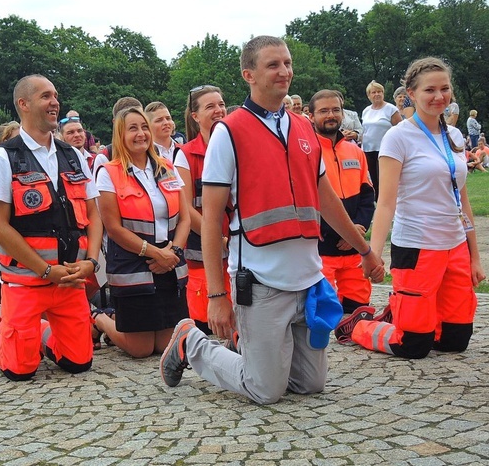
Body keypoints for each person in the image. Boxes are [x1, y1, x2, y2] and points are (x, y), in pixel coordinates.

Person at [159, 36, 384, 405]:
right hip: (260, 281)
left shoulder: (303, 127)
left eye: (288, 63)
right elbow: (212, 219)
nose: (285, 71)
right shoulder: (229, 133)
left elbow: (326, 199)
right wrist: (218, 295)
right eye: (273, 65)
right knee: (265, 389)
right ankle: (191, 343)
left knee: (310, 384)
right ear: (249, 74)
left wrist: (365, 250)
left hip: (308, 280)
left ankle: (250, 346)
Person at [335, 57, 485, 358]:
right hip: (417, 247)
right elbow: (387, 203)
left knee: (454, 341)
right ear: (411, 94)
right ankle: (360, 325)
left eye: (445, 89)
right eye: (430, 90)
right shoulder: (398, 137)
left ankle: (404, 312)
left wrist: (474, 257)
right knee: (413, 345)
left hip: (454, 245)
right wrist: (372, 254)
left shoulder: (454, 136)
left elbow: (462, 200)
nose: (439, 96)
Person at [0, 74, 103, 380]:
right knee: (20, 369)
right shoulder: (4, 158)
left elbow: (94, 214)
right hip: (25, 283)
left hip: (69, 283)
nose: (55, 102)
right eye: (45, 96)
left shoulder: (74, 155)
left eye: (55, 95)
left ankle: (34, 335)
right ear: (23, 104)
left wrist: (91, 262)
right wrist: (44, 269)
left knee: (79, 363)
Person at [93, 107, 190, 357]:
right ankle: (101, 318)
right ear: (120, 135)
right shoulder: (109, 173)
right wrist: (154, 253)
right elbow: (113, 228)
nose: (141, 134)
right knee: (141, 349)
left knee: (163, 346)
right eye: (133, 128)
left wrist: (174, 251)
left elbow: (185, 216)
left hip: (169, 262)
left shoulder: (167, 167)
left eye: (144, 127)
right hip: (132, 264)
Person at [309, 90, 375, 313]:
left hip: (353, 251)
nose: (331, 115)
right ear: (311, 116)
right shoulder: (307, 153)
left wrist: (358, 228)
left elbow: (367, 196)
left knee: (359, 310)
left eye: (336, 110)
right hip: (321, 249)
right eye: (324, 111)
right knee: (324, 313)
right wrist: (345, 232)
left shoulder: (355, 151)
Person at [173, 85, 231, 334]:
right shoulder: (185, 155)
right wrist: (216, 238)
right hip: (201, 253)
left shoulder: (237, 145)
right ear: (195, 117)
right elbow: (186, 205)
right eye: (210, 106)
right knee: (207, 327)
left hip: (239, 248)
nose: (219, 110)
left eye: (221, 104)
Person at [362, 80, 402, 200]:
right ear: (369, 95)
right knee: (372, 180)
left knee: (383, 179)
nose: (377, 94)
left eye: (379, 91)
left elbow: (400, 129)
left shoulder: (390, 109)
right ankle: (376, 204)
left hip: (385, 149)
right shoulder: (366, 111)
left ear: (383, 93)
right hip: (368, 149)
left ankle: (386, 203)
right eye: (373, 92)